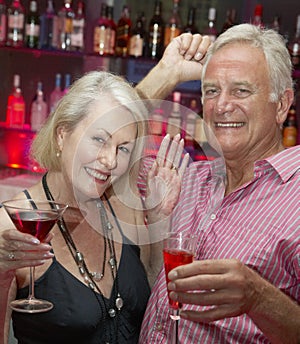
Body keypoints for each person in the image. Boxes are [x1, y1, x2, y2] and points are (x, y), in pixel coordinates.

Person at [0, 70, 192, 343]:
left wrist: (158, 217)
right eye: (99, 139)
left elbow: (150, 285)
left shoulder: (125, 208)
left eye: (123, 148)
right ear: (61, 135)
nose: (110, 160)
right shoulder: (13, 224)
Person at [137, 24, 300, 343]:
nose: (221, 106)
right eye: (211, 91)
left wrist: (258, 297)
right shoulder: (186, 176)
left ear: (281, 105)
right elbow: (92, 142)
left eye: (241, 90)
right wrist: (165, 74)